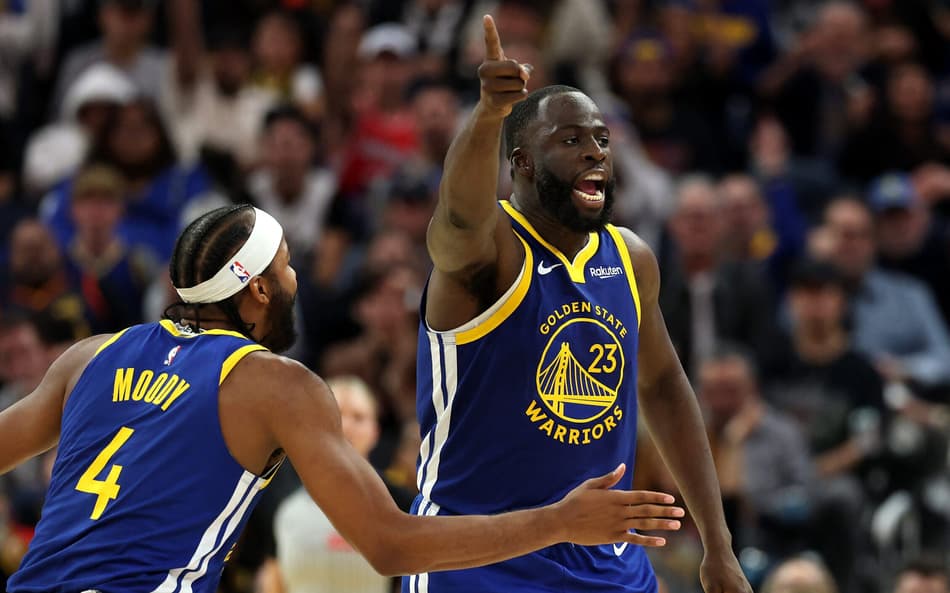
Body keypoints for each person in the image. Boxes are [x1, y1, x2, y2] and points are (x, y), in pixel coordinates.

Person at [0, 205, 684, 592]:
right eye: (288, 265)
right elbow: (390, 543)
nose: (297, 276)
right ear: (257, 290)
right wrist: (560, 522)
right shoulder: (274, 383)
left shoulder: (88, 357)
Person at [410, 15, 748, 593]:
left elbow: (664, 386)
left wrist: (718, 544)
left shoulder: (631, 257)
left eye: (600, 139)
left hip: (608, 566)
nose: (594, 153)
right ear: (520, 164)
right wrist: (489, 114)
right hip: (477, 561)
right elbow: (459, 217)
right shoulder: (490, 254)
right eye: (570, 141)